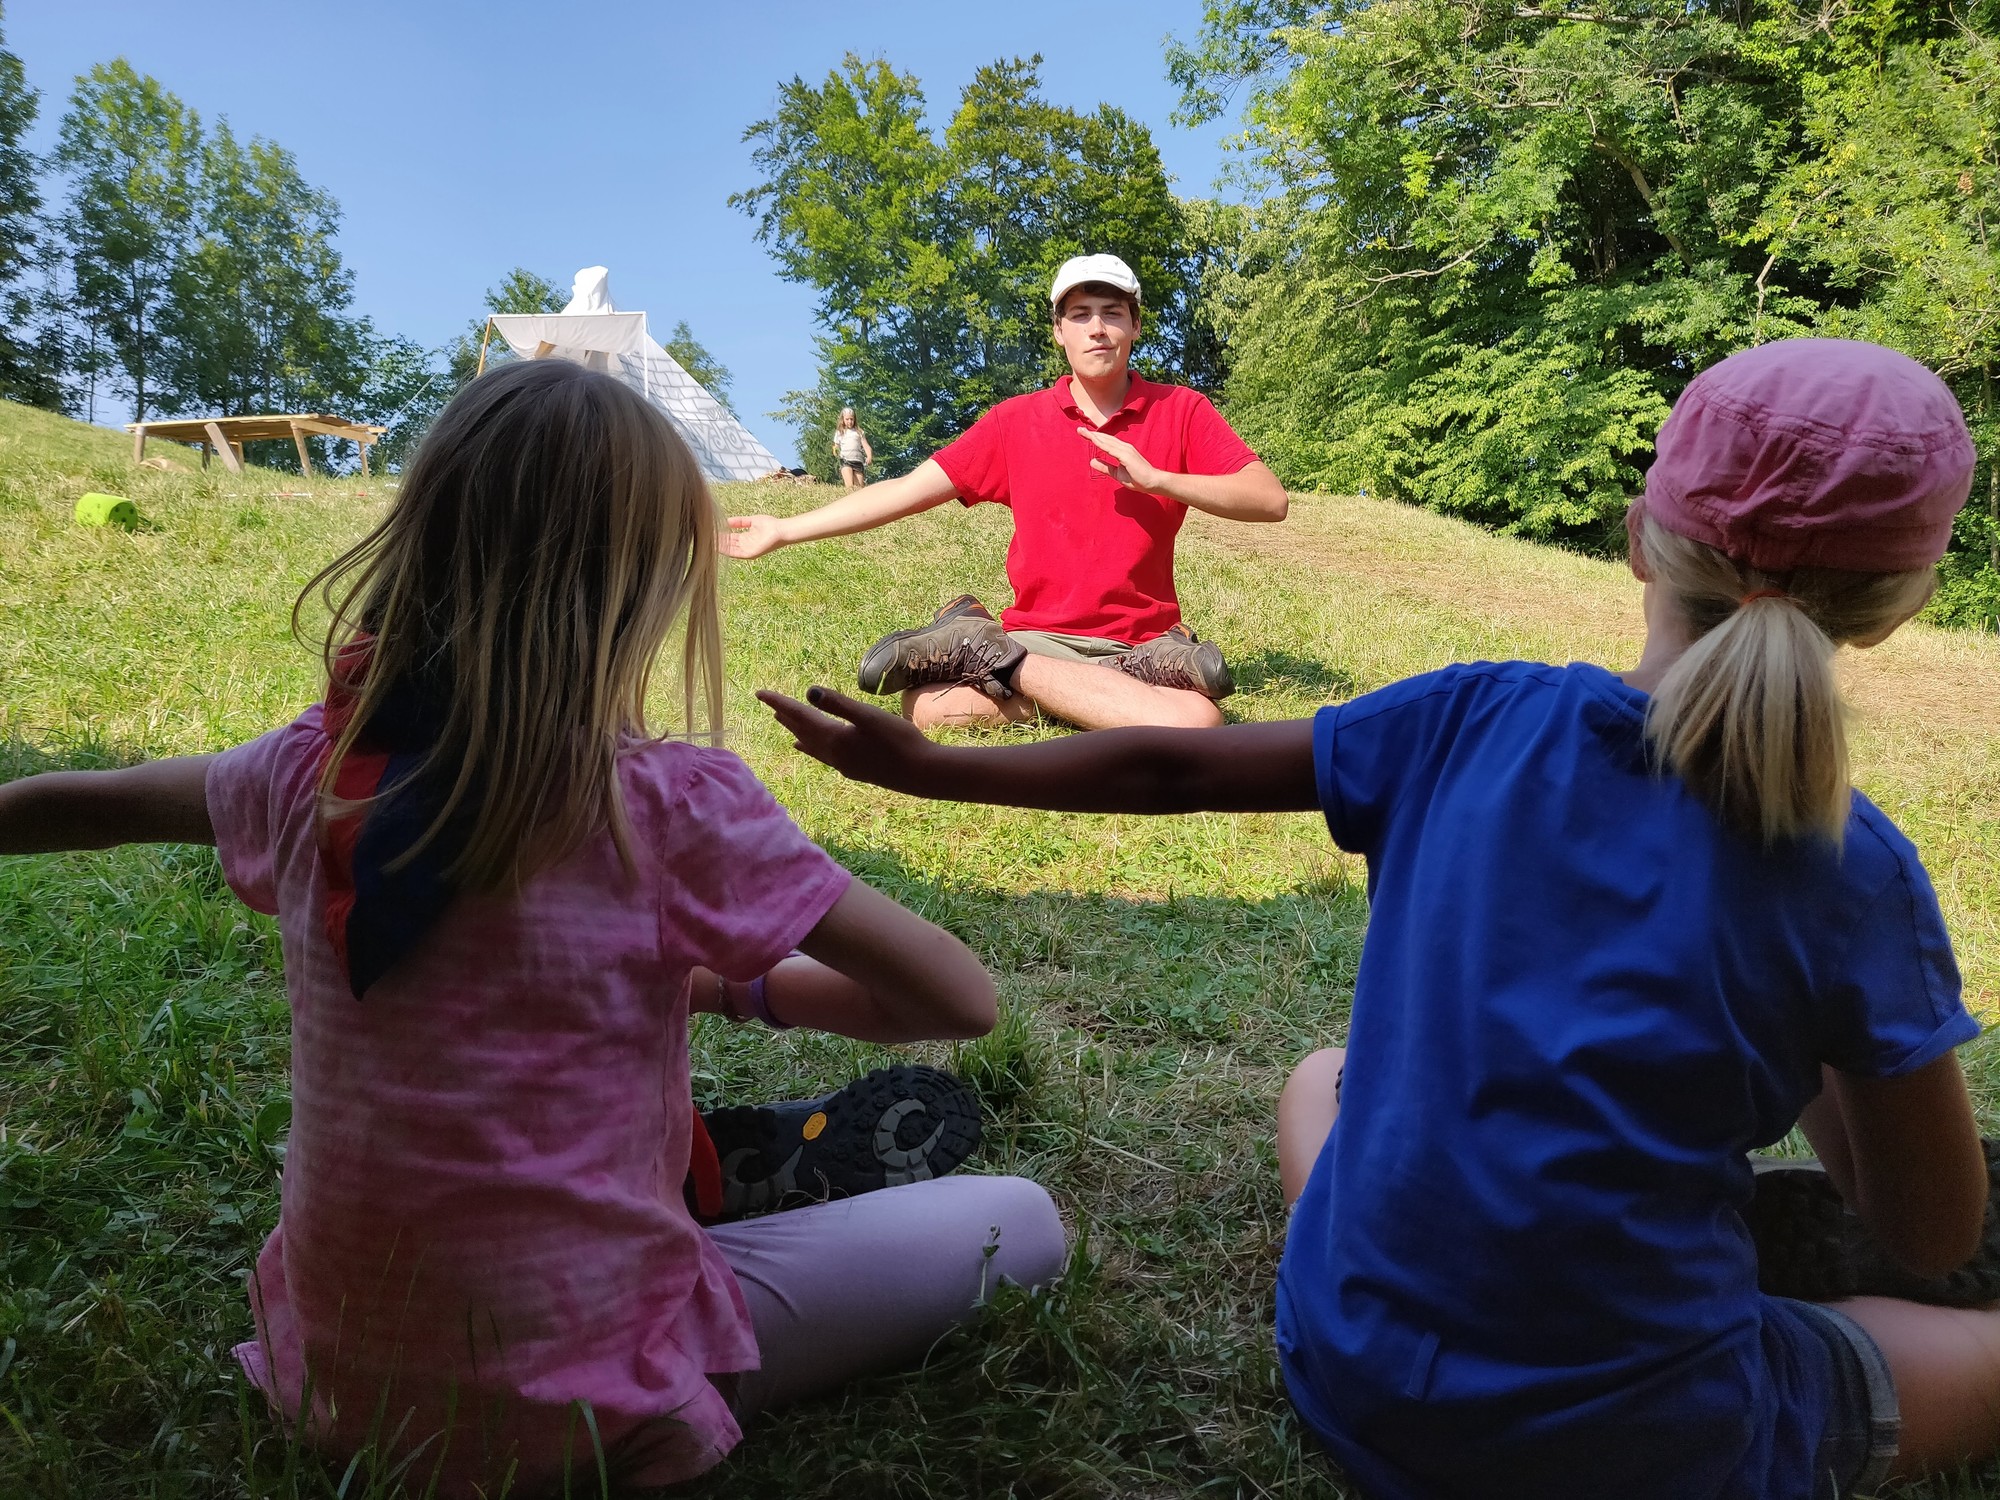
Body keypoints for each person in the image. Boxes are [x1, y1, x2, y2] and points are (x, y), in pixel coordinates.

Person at [760, 340, 2000, 1497]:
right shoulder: (1856, 874)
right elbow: (1931, 1231)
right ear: (1893, 605)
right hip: (1646, 1444)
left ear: (1638, 539)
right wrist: (1820, 1037)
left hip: (1352, 1373)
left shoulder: (1470, 718)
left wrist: (930, 771)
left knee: (1319, 1078)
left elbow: (1173, 765)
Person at [0, 359, 1066, 1496]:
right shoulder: (669, 804)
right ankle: (700, 1200)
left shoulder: (302, 773)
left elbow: (86, 804)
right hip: (589, 1401)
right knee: (1021, 1219)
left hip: (344, 1386)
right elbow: (956, 1000)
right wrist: (735, 988)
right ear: (641, 586)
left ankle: (696, 1183)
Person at [721, 253, 1291, 732]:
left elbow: (1270, 500)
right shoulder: (1015, 422)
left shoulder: (1181, 409)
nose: (1097, 328)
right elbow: (907, 489)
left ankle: (993, 655)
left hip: (1141, 644)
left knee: (1198, 724)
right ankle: (1078, 682)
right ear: (1059, 331)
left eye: (1112, 313)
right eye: (1080, 315)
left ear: (1135, 326)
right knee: (930, 709)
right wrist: (786, 529)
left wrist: (1159, 479)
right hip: (1039, 639)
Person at [832, 406, 872, 489]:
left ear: (854, 419)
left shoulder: (859, 432)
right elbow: (836, 446)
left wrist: (869, 456)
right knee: (850, 486)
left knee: (859, 488)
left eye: (851, 419)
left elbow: (866, 446)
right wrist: (835, 451)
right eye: (847, 419)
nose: (849, 421)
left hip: (858, 461)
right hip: (845, 460)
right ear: (843, 419)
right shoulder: (840, 432)